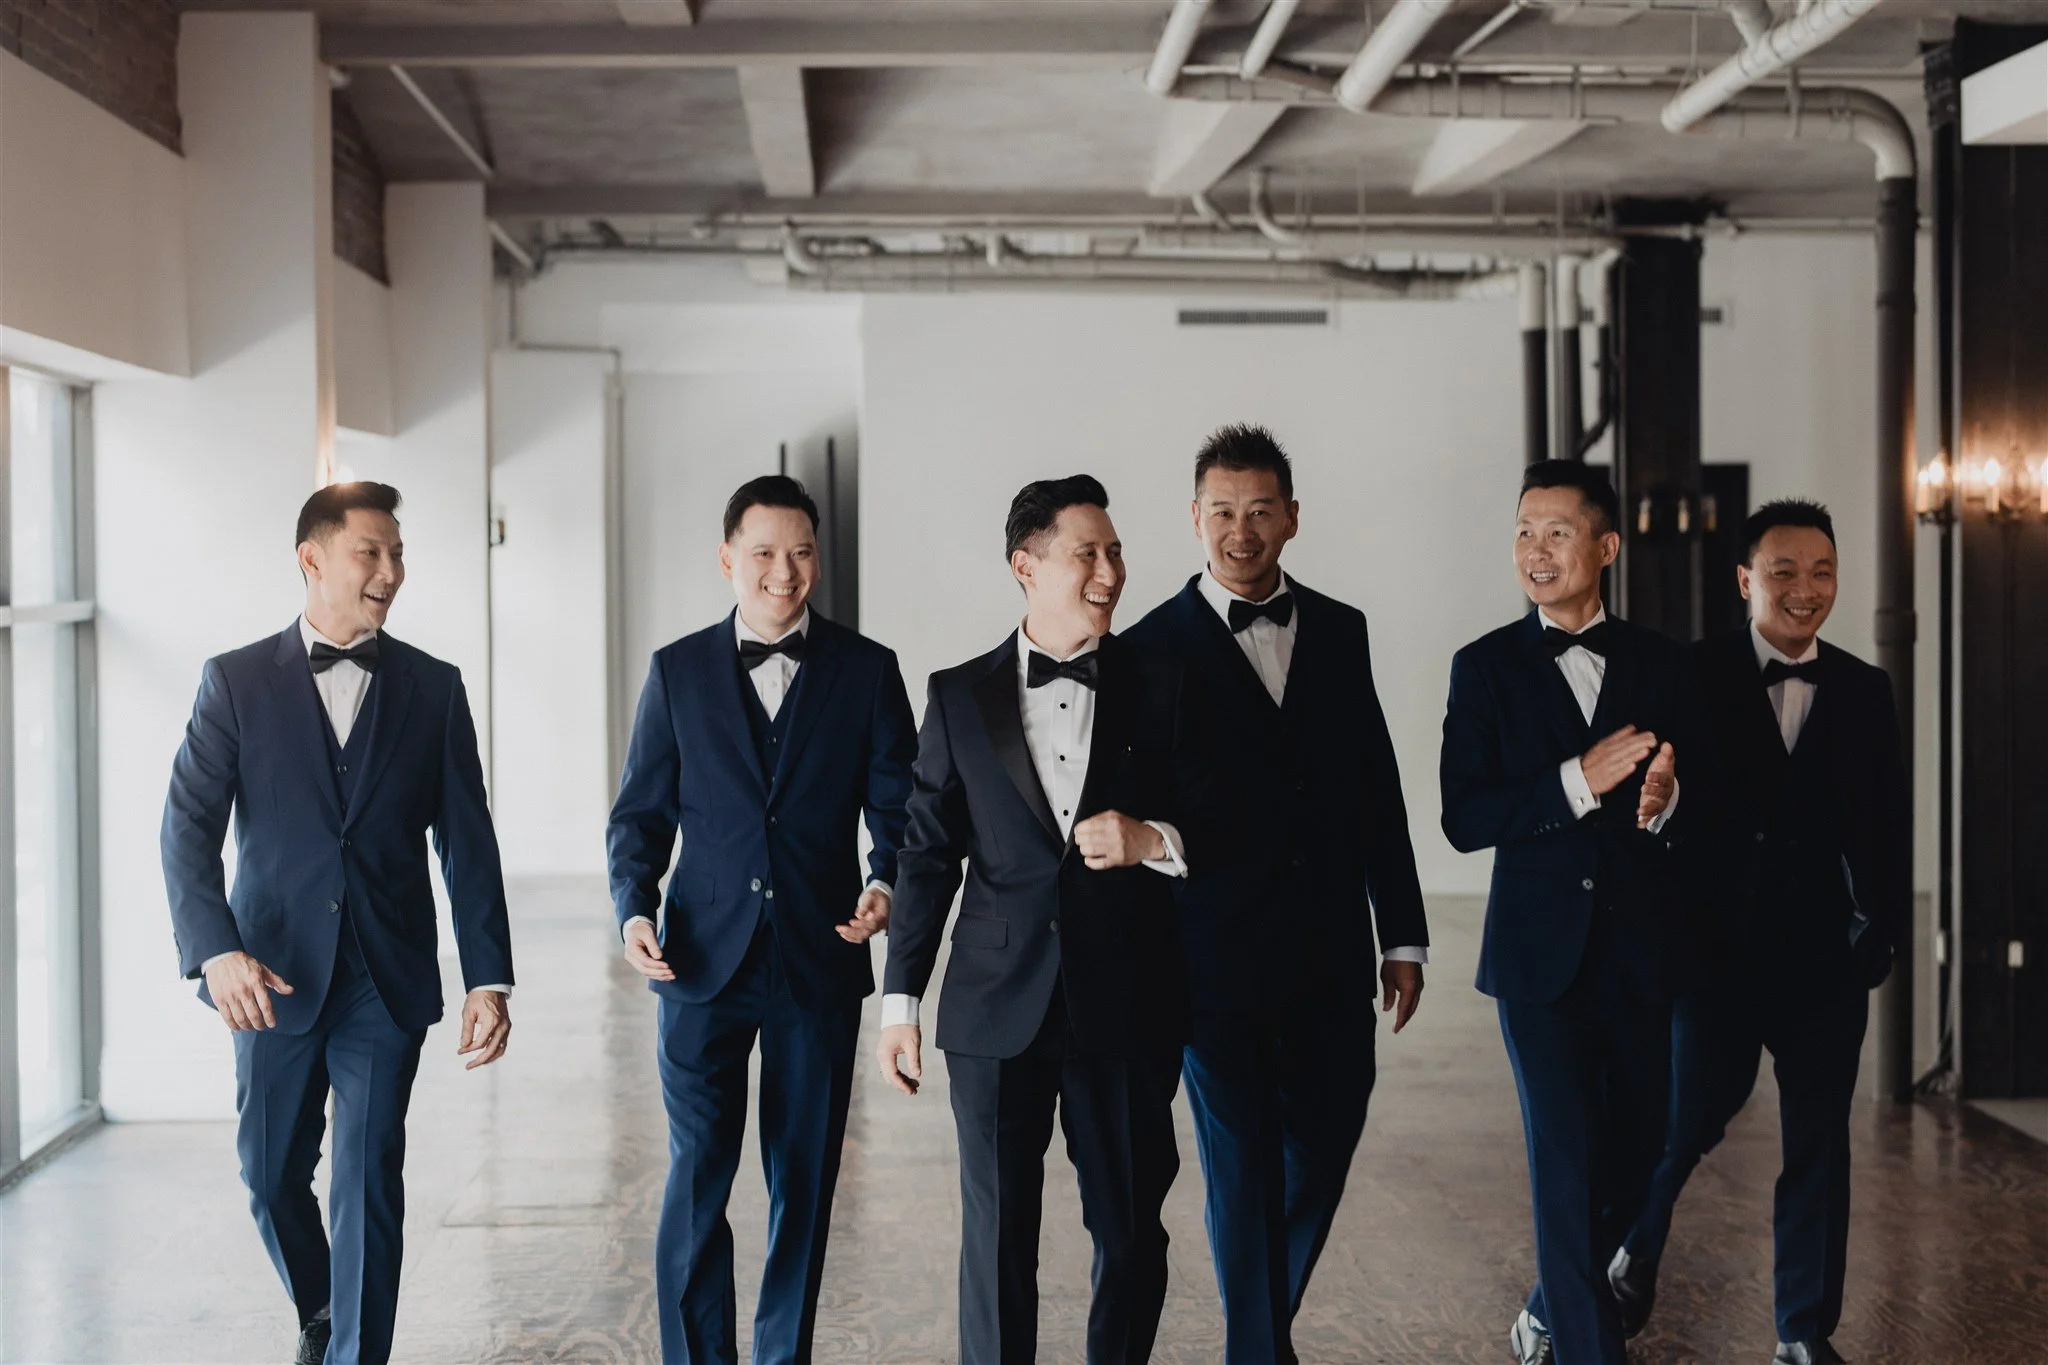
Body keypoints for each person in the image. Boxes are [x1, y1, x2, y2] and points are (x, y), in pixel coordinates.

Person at [162, 481, 514, 1365]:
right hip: (270, 978)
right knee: (272, 1174)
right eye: (372, 552)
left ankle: (357, 1353)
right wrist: (216, 951)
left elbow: (467, 841)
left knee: (366, 1173)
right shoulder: (235, 682)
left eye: (398, 552)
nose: (392, 571)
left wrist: (488, 976)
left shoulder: (434, 689)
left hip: (384, 978)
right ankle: (323, 1307)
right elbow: (187, 829)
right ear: (312, 558)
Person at [875, 475, 1222, 1365]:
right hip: (994, 1009)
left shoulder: (1166, 684)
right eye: (1088, 554)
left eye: (1115, 552)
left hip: (1128, 1003)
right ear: (1026, 566)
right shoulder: (958, 695)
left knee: (1133, 1233)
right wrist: (900, 1001)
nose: (1111, 571)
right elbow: (926, 853)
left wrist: (1151, 838)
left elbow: (1223, 828)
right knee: (994, 1243)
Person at [1123, 424, 1428, 1364]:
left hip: (1331, 950)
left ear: (1292, 516)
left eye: (1260, 510)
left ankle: (1264, 1322)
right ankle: (1258, 1349)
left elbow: (1376, 784)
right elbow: (1133, 814)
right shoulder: (1148, 648)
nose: (1240, 530)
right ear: (1195, 517)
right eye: (1223, 511)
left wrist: (1403, 934)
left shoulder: (1342, 629)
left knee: (1330, 1137)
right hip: (1207, 959)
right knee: (1243, 1165)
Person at [607, 474, 917, 1365]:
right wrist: (633, 907)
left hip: (819, 961)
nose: (786, 572)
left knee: (805, 1184)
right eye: (765, 554)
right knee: (698, 1179)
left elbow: (898, 808)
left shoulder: (868, 671)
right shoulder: (676, 671)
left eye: (803, 552)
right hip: (697, 961)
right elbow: (640, 815)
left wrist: (885, 883)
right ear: (727, 560)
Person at [1612, 500, 1906, 1365]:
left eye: (1821, 572)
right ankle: (1633, 1243)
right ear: (1746, 580)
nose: (1804, 590)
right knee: (1685, 1121)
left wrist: (1877, 931)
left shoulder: (1864, 688)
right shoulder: (1689, 673)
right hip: (1715, 955)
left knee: (1819, 1140)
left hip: (1823, 960)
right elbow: (1651, 805)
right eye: (1783, 572)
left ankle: (1802, 1331)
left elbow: (1885, 825)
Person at [1438, 460, 1709, 1365]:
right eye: (1523, 530)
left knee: (1641, 1151)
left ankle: (1551, 1301)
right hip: (1536, 960)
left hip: (1641, 954)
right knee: (1562, 1162)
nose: (1535, 550)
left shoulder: (1668, 665)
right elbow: (1465, 816)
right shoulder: (1481, 669)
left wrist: (1666, 797)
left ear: (1606, 546)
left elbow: (1703, 804)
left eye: (1557, 531)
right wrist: (1573, 782)